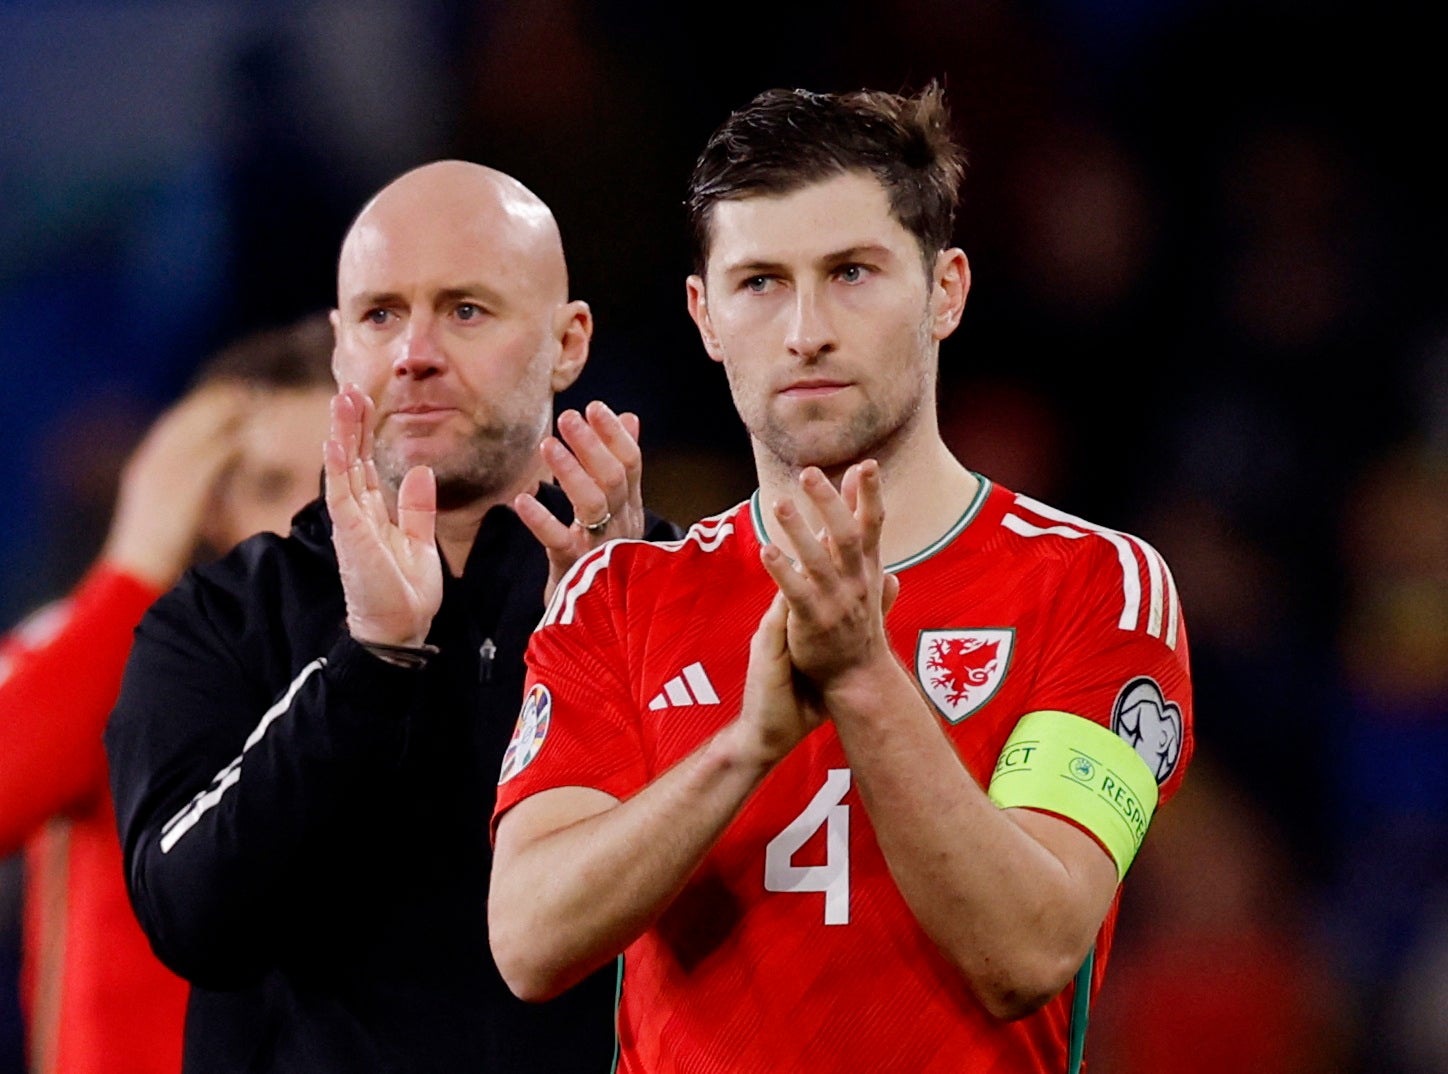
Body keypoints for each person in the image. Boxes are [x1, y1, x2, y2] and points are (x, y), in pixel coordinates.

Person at [486, 84, 1195, 1073]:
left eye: (851, 272)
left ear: (944, 289)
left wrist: (861, 679)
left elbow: (1027, 950)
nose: (804, 329)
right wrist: (744, 747)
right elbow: (527, 941)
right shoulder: (620, 598)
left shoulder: (1095, 585)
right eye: (759, 283)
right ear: (704, 315)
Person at [104, 159, 681, 1073]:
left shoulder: (675, 594)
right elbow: (190, 919)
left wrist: (605, 638)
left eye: (465, 309)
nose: (415, 351)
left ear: (569, 342)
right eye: (381, 315)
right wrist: (370, 661)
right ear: (341, 348)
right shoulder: (222, 616)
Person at [0, 312, 336, 1074]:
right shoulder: (99, 648)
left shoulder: (417, 662)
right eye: (268, 485)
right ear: (204, 502)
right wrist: (140, 552)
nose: (311, 515)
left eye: (338, 474)